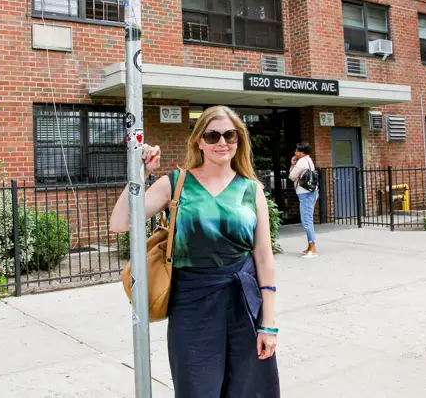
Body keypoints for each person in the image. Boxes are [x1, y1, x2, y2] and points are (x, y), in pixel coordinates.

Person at [110, 105, 281, 398]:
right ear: (198, 140)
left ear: (239, 140)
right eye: (212, 135)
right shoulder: (176, 183)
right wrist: (140, 172)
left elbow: (263, 257)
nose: (221, 142)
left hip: (244, 305)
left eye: (229, 135)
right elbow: (120, 222)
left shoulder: (252, 189)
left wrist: (269, 323)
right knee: (196, 390)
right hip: (192, 304)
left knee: (249, 390)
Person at [289, 141, 319, 259]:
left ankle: (313, 248)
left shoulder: (301, 162)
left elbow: (292, 176)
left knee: (306, 220)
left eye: (297, 150)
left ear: (302, 152)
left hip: (306, 194)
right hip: (311, 193)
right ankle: (309, 246)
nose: (295, 152)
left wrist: (292, 165)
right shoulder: (308, 160)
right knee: (307, 219)